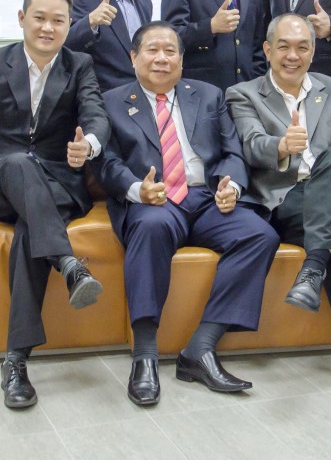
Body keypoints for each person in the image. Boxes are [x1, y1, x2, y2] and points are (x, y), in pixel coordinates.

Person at [95, 21, 280, 406]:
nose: (162, 58)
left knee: (259, 235)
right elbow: (108, 164)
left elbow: (232, 151)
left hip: (206, 197)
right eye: (152, 50)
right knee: (151, 228)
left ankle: (201, 347)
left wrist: (231, 185)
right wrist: (136, 189)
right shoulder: (111, 101)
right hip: (155, 198)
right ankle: (145, 355)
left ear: (181, 59)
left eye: (170, 51)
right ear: (134, 58)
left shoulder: (209, 95)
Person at [0, 0, 110, 409]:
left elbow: (96, 114)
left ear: (69, 24)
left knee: (29, 233)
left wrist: (88, 144)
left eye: (58, 20)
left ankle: (15, 361)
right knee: (20, 164)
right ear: (22, 19)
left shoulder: (80, 65)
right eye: (39, 18)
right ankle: (69, 263)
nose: (48, 28)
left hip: (55, 184)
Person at [226, 14, 331, 401]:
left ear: (314, 50)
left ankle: (313, 269)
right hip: (287, 201)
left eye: (303, 46)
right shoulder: (243, 93)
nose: (293, 55)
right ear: (267, 50)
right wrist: (281, 147)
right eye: (284, 47)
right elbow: (251, 144)